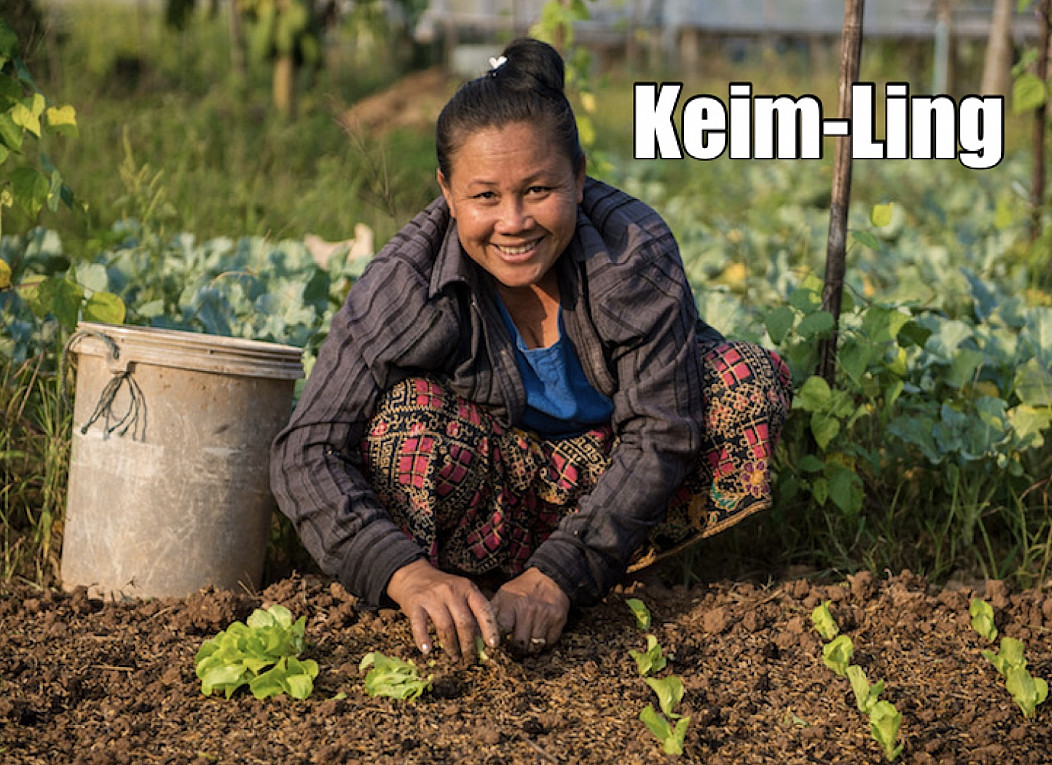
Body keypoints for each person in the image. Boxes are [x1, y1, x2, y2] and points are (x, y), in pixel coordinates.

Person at [270, 37, 792, 660]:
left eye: (538, 190)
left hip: (614, 477)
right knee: (399, 428)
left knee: (746, 382)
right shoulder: (407, 282)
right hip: (494, 483)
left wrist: (560, 574)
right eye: (485, 196)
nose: (513, 222)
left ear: (577, 176)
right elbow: (306, 449)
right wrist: (404, 574)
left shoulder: (633, 254)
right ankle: (459, 585)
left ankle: (606, 566)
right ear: (447, 190)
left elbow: (662, 432)